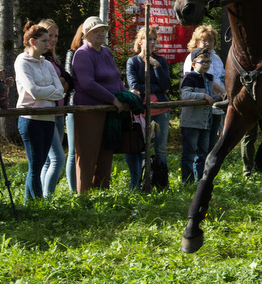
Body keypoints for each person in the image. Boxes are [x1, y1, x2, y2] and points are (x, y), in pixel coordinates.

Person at [71, 16, 127, 192]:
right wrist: (113, 99)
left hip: (109, 110)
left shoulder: (106, 52)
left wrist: (125, 97)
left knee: (106, 153)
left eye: (103, 30)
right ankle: (84, 196)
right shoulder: (82, 54)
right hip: (89, 110)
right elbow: (87, 83)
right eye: (96, 31)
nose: (101, 33)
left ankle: (102, 192)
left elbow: (117, 78)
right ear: (86, 35)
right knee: (87, 154)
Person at [15, 21, 65, 202]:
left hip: (49, 118)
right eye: (44, 40)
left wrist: (47, 91)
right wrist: (50, 90)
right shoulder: (22, 61)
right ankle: (33, 204)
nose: (48, 43)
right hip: (31, 118)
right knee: (35, 166)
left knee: (41, 162)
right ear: (32, 41)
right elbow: (33, 91)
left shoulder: (47, 63)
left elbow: (60, 90)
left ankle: (36, 203)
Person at [126, 26, 171, 186]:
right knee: (141, 147)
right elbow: (135, 86)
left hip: (161, 110)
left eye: (154, 39)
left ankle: (161, 183)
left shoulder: (160, 60)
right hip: (142, 112)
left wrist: (156, 66)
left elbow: (167, 85)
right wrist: (157, 87)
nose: (152, 42)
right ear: (140, 41)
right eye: (148, 39)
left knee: (160, 148)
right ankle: (139, 182)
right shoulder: (133, 62)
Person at [37, 19, 69, 197]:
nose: (53, 39)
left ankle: (43, 196)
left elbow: (67, 80)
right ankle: (47, 197)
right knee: (57, 158)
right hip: (47, 113)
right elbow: (54, 85)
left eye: (56, 36)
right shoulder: (40, 60)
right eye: (50, 35)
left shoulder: (54, 59)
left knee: (50, 160)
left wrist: (63, 83)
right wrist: (61, 84)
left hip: (58, 112)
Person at [183, 26, 226, 151]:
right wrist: (224, 92)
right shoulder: (193, 58)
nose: (208, 43)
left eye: (211, 40)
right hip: (201, 106)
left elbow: (222, 76)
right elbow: (207, 80)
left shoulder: (216, 58)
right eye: (204, 40)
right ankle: (197, 170)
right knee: (199, 147)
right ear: (196, 42)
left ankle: (207, 168)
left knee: (211, 142)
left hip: (217, 103)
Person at [180, 48, 217, 183]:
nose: (206, 64)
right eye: (203, 61)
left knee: (203, 154)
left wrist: (220, 96)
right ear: (194, 64)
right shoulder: (190, 77)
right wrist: (203, 96)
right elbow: (185, 95)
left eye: (208, 61)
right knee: (189, 154)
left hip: (205, 122)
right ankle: (187, 182)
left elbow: (210, 98)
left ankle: (201, 181)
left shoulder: (208, 78)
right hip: (191, 123)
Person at [63, 24, 83, 192]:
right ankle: (72, 190)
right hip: (73, 101)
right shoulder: (72, 53)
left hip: (90, 104)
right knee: (72, 151)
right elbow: (70, 78)